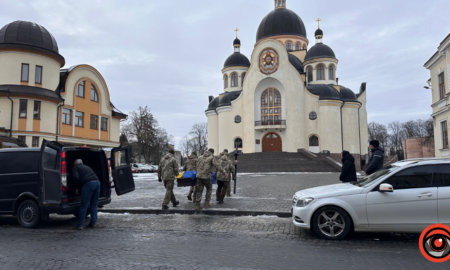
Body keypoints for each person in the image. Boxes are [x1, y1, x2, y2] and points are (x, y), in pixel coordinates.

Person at [71, 159, 100, 230]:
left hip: (88, 184)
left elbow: (76, 177)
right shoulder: (87, 167)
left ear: (75, 164)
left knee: (84, 205)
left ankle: (80, 225)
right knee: (94, 205)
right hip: (97, 183)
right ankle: (93, 223)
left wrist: (77, 188)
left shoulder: (75, 168)